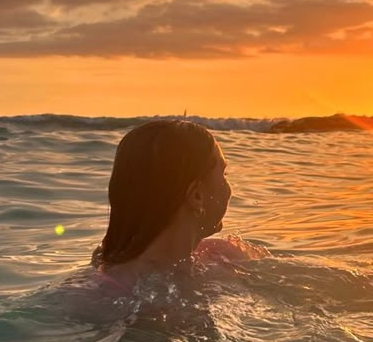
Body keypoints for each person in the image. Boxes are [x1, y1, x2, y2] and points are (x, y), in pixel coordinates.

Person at [93, 119, 266, 294]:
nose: (230, 189)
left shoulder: (224, 254)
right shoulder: (223, 259)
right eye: (223, 174)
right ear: (197, 196)